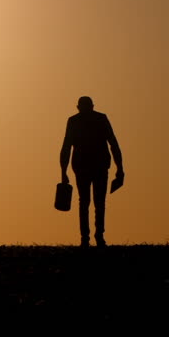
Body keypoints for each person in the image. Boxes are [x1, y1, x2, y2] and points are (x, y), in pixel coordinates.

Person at [59, 96, 124, 247]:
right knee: (93, 202)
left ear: (78, 107)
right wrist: (119, 168)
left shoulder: (84, 120)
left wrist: (120, 168)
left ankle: (92, 237)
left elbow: (113, 143)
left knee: (89, 201)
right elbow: (66, 147)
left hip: (95, 165)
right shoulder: (84, 120)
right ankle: (91, 237)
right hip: (87, 166)